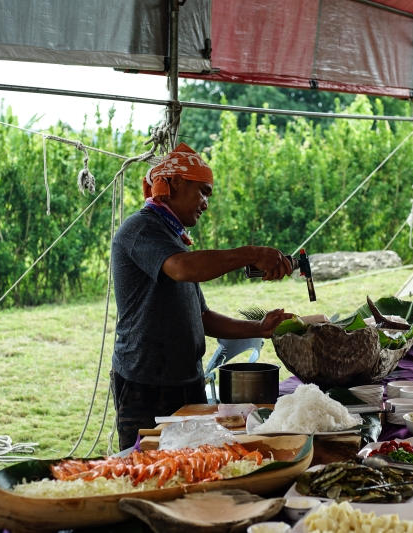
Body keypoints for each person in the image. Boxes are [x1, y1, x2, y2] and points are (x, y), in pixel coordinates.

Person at [110, 142, 294, 450]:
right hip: (146, 385)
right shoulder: (142, 228)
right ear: (177, 183)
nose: (206, 203)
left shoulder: (174, 239)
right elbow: (182, 269)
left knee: (195, 462)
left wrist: (259, 329)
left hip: (186, 381)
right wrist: (251, 254)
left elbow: (202, 318)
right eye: (203, 191)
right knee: (146, 466)